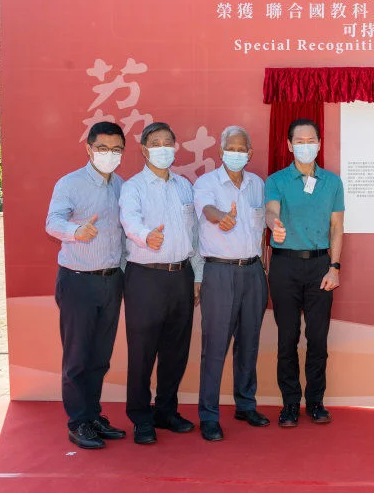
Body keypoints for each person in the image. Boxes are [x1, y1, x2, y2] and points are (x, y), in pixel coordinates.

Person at [45, 122, 128, 449]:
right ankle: (78, 421)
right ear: (89, 149)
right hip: (78, 281)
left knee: (100, 357)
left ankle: (92, 415)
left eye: (116, 149)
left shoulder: (121, 185)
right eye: (103, 148)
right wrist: (75, 231)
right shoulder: (71, 183)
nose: (110, 155)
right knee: (78, 357)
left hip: (112, 280)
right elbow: (52, 222)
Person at [119, 122, 203, 445]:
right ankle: (141, 417)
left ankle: (166, 411)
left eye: (168, 142)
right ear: (144, 149)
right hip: (145, 277)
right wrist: (145, 236)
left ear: (175, 147)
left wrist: (197, 275)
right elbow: (129, 221)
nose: (163, 148)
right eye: (155, 143)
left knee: (175, 350)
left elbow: (195, 235)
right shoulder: (133, 187)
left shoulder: (184, 187)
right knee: (142, 352)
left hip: (181, 275)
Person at [265, 118, 344, 427]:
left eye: (311, 141)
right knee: (287, 338)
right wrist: (274, 223)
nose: (305, 146)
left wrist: (334, 267)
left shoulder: (332, 182)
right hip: (284, 266)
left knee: (318, 338)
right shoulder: (277, 180)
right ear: (289, 145)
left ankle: (315, 402)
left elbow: (337, 227)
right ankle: (289, 404)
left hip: (320, 266)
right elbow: (271, 210)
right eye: (299, 141)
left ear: (319, 144)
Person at [194, 126, 269, 442]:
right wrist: (220, 216)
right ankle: (209, 415)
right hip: (220, 273)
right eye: (231, 148)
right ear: (220, 151)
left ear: (249, 153)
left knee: (249, 343)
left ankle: (245, 404)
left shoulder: (257, 185)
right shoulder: (206, 183)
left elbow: (263, 224)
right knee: (215, 346)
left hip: (253, 272)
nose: (236, 153)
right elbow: (208, 209)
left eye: (242, 149)